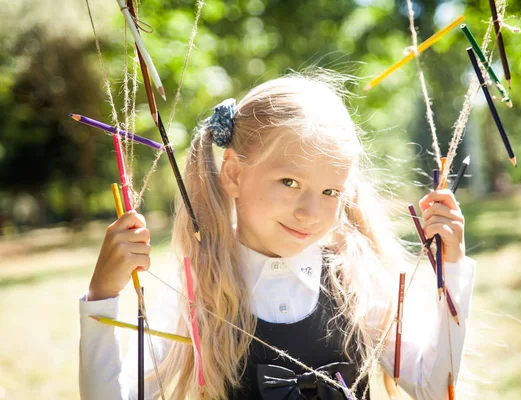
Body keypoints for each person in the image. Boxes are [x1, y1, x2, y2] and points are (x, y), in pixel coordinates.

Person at [79, 71, 476, 400]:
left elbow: (434, 389)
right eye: (289, 181)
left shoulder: (354, 282)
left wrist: (453, 269)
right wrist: (103, 295)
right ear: (233, 173)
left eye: (329, 192)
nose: (309, 212)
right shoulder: (196, 290)